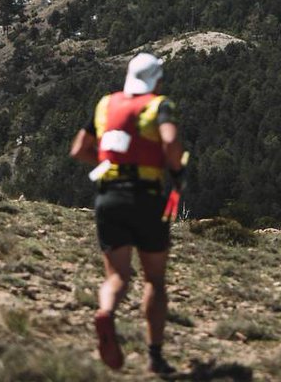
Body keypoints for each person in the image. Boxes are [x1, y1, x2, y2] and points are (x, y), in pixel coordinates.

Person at [69, 52, 186, 376]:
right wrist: (176, 171)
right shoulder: (158, 105)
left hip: (109, 197)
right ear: (156, 80)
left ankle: (105, 310)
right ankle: (155, 355)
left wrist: (110, 164)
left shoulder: (106, 104)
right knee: (155, 280)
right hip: (147, 197)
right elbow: (172, 142)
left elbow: (79, 149)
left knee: (117, 276)